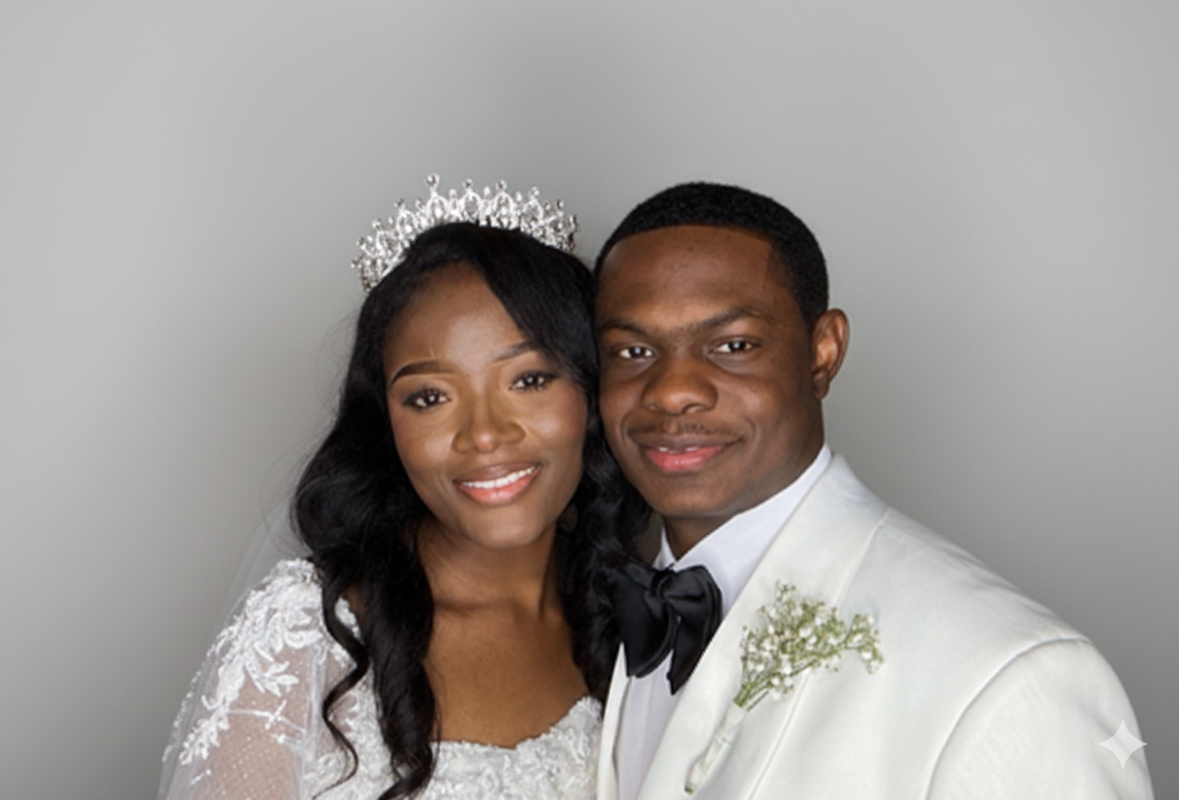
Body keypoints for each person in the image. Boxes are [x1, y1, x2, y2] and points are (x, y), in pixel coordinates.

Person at [592, 182, 1154, 799]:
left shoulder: (1017, 677)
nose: (672, 392)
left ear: (822, 353)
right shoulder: (599, 622)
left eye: (733, 346)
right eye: (633, 350)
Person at [158, 180, 647, 800]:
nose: (485, 435)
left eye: (528, 380)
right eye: (430, 397)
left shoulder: (634, 618)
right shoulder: (310, 632)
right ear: (387, 422)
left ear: (592, 393)